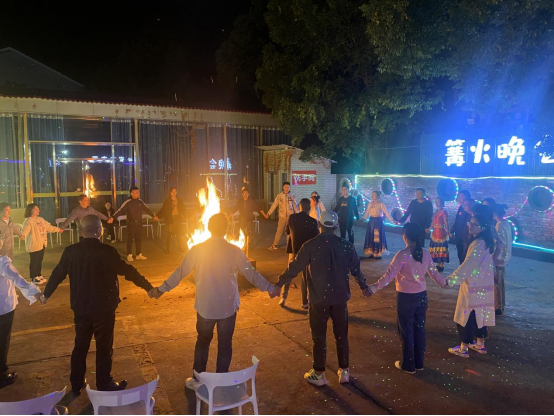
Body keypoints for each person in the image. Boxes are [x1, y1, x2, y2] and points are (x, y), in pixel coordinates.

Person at [148, 214, 278, 392]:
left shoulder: (197, 250)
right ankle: (221, 381)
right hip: (227, 308)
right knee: (225, 343)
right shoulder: (234, 250)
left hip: (205, 307)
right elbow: (252, 274)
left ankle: (198, 379)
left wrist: (161, 290)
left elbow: (179, 273)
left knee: (203, 341)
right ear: (226, 229)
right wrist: (270, 288)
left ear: (209, 228)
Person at [43, 215, 154, 394]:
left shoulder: (71, 251)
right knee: (104, 347)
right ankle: (103, 383)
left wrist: (45, 295)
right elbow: (128, 271)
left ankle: (76, 383)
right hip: (104, 309)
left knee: (80, 346)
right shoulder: (108, 251)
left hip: (81, 308)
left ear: (81, 231)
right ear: (99, 230)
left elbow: (57, 274)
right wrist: (148, 287)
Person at [274, 211, 371, 387]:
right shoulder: (346, 246)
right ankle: (344, 371)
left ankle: (319, 373)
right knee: (341, 335)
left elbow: (294, 267)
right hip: (340, 299)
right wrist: (364, 286)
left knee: (319, 336)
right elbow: (356, 270)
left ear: (319, 225)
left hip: (318, 300)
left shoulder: (310, 246)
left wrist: (278, 284)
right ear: (335, 226)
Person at [367, 223, 447, 374]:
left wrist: (373, 288)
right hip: (421, 296)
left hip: (405, 298)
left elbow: (389, 275)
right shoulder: (425, 253)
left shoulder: (402, 255)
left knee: (406, 330)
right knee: (419, 329)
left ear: (405, 236)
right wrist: (443, 283)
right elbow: (434, 273)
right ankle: (419, 362)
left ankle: (408, 365)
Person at [446, 214, 496, 359]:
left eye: (474, 224)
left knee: (467, 316)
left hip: (473, 286)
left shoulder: (478, 244)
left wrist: (450, 280)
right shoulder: (486, 242)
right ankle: (480, 344)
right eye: (470, 222)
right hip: (483, 285)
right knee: (481, 315)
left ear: (483, 227)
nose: (470, 225)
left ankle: (463, 348)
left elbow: (467, 266)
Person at [0, 239, 42, 389]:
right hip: (3, 308)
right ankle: (1, 375)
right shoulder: (2, 262)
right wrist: (35, 293)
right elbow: (18, 279)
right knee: (2, 341)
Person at [282, 198, 319, 308]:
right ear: (309, 208)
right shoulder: (313, 222)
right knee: (306, 277)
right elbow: (315, 238)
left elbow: (287, 231)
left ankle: (283, 297)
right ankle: (304, 302)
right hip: (306, 253)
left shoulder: (292, 218)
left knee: (289, 273)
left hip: (294, 251)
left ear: (299, 207)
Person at [110, 187, 158, 262]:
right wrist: (113, 218)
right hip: (131, 224)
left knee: (138, 239)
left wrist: (153, 216)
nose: (138, 194)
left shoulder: (140, 202)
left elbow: (147, 209)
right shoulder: (128, 202)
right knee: (130, 239)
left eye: (138, 192)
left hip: (139, 223)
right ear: (131, 193)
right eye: (136, 192)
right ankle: (129, 255)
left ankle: (139, 254)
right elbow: (120, 210)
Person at [21, 204, 63, 285]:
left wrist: (58, 230)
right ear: (30, 210)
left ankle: (38, 274)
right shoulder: (28, 220)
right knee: (34, 261)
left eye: (38, 209)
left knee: (39, 260)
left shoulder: (41, 219)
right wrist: (22, 235)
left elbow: (48, 227)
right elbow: (25, 230)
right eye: (36, 209)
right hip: (34, 244)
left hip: (42, 243)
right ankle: (34, 277)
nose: (38, 210)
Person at [264, 182, 298, 250]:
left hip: (290, 217)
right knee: (279, 230)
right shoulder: (279, 196)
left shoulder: (292, 196)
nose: (286, 188)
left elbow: (295, 206)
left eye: (288, 187)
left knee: (289, 231)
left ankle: (289, 245)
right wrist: (268, 213)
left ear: (290, 188)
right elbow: (274, 205)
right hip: (282, 216)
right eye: (285, 187)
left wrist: (298, 215)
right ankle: (275, 245)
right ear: (283, 187)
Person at [493, 204, 512, 317]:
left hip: (499, 258)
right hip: (504, 257)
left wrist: (494, 257)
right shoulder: (506, 223)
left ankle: (498, 306)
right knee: (500, 281)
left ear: (495, 214)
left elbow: (500, 243)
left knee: (497, 283)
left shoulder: (499, 225)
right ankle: (501, 304)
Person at [362, 191, 394, 259]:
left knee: (377, 237)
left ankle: (378, 253)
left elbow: (386, 213)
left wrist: (392, 220)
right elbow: (367, 213)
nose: (372, 196)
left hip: (378, 222)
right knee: (371, 236)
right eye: (372, 195)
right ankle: (372, 252)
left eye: (374, 195)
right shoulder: (370, 204)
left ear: (378, 196)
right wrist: (363, 219)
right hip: (371, 222)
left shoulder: (381, 204)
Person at [158, 188, 187, 254]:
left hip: (178, 219)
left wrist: (189, 215)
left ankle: (180, 247)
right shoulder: (167, 201)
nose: (174, 193)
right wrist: (158, 216)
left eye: (175, 191)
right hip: (170, 219)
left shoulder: (179, 200)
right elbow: (163, 210)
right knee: (168, 235)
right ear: (170, 193)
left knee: (179, 234)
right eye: (172, 192)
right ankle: (167, 248)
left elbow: (183, 209)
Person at [450, 191, 471, 265]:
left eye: (462, 196)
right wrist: (452, 231)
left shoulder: (470, 210)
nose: (459, 198)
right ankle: (461, 266)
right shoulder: (461, 208)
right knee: (460, 252)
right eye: (459, 196)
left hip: (466, 236)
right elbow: (457, 221)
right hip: (458, 235)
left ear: (467, 197)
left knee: (465, 254)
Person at [429, 197, 450, 272]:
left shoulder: (443, 212)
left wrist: (448, 231)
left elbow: (446, 222)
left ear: (442, 202)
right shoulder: (435, 212)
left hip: (441, 232)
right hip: (435, 232)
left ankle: (441, 264)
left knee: (441, 248)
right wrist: (429, 228)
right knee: (435, 247)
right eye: (436, 201)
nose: (438, 203)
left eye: (439, 201)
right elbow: (433, 222)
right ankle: (438, 263)